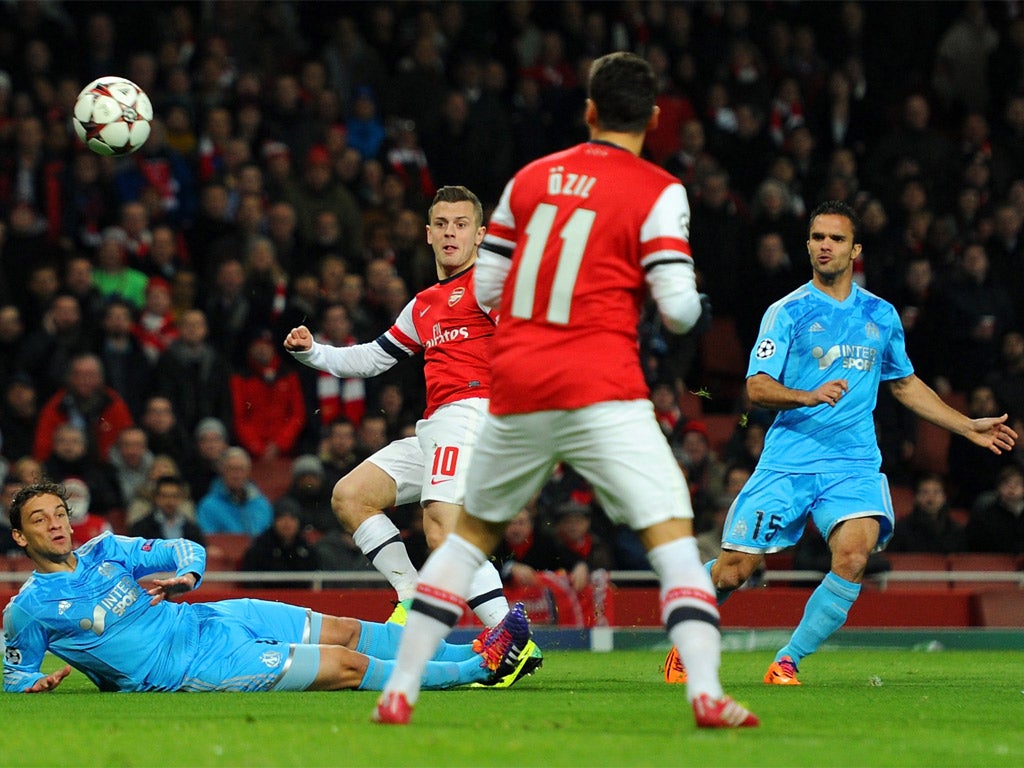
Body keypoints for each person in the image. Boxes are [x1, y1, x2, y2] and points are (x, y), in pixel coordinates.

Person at [374, 53, 757, 729]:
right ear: (656, 119)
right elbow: (677, 310)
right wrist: (683, 299)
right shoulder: (659, 190)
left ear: (588, 112)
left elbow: (488, 290)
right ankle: (706, 692)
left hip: (518, 386)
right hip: (603, 386)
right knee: (672, 538)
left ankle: (399, 691)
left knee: (464, 542)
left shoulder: (529, 180)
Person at [685, 200, 1015, 687]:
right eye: (818, 237)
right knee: (735, 571)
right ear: (808, 245)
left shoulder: (880, 315)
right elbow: (755, 387)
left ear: (855, 249)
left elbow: (903, 383)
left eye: (836, 239)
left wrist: (965, 425)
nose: (825, 246)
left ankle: (787, 661)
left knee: (855, 555)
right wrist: (806, 395)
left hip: (853, 464)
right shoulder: (787, 311)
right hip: (789, 460)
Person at [2, 481, 533, 694]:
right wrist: (31, 683)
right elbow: (12, 671)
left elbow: (184, 549)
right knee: (345, 667)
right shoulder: (29, 609)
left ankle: (470, 648)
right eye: (39, 519)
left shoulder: (105, 548)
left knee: (346, 630)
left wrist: (189, 576)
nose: (56, 524)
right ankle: (477, 670)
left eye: (59, 513)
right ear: (21, 535)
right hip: (188, 668)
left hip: (214, 617)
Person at [284, 186, 513, 634]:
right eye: (443, 224)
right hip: (437, 424)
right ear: (428, 234)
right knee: (351, 496)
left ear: (480, 235)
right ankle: (412, 597)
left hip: (473, 412)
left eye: (462, 225)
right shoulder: (424, 304)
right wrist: (314, 354)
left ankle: (510, 637)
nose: (451, 233)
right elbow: (372, 357)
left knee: (442, 524)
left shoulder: (488, 286)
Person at [195, 446, 273, 536]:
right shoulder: (208, 506)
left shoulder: (261, 504)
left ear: (248, 472)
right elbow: (208, 541)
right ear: (222, 471)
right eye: (232, 469)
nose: (237, 475)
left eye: (241, 469)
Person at [888, 473, 966, 554]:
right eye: (925, 492)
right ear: (916, 497)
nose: (931, 498)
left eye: (936, 492)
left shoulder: (956, 531)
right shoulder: (901, 530)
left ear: (944, 497)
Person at [128, 474, 205, 546]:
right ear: (156, 498)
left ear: (181, 498)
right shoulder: (141, 528)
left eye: (174, 496)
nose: (170, 501)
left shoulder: (193, 530)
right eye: (165, 496)